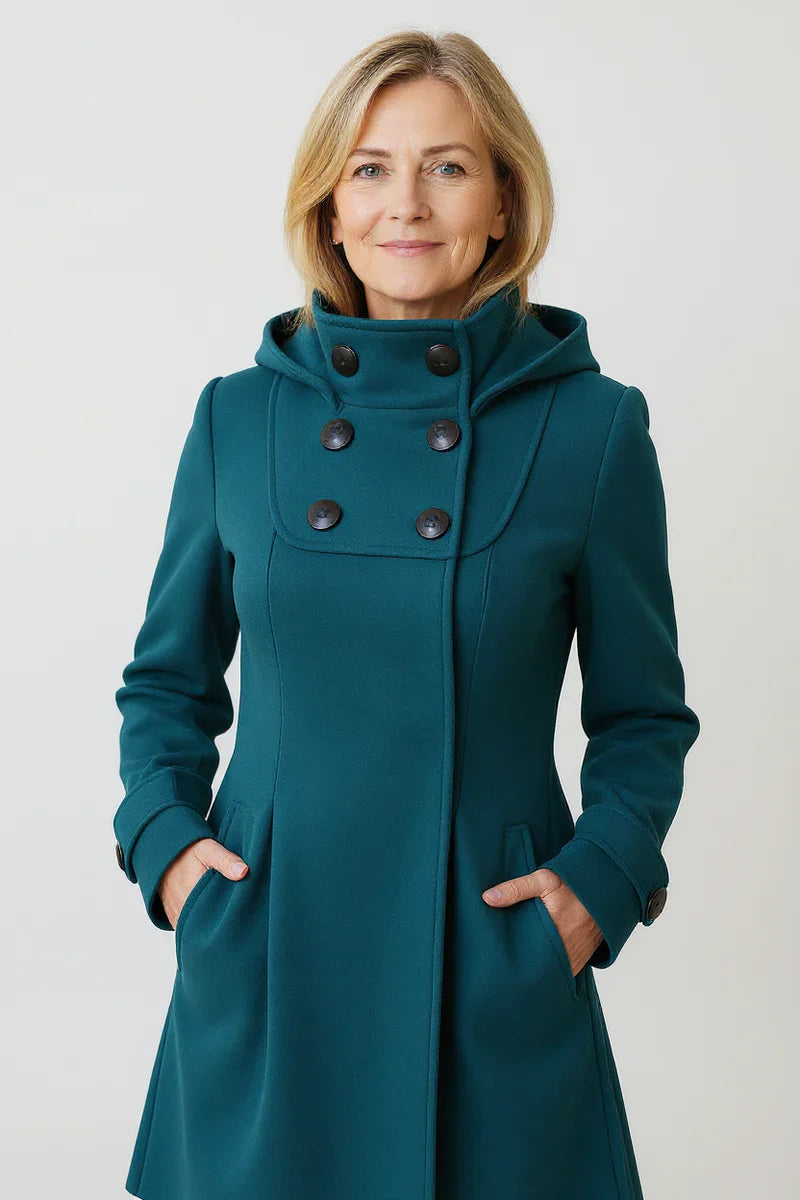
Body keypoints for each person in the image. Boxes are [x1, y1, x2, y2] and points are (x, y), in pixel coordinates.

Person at [112, 27, 700, 1200]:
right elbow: (167, 685)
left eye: (448, 166)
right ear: (329, 208)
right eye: (371, 168)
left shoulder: (590, 428)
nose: (406, 204)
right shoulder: (238, 418)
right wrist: (168, 852)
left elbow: (642, 717)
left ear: (502, 201)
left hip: (486, 967)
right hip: (267, 956)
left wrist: (596, 888)